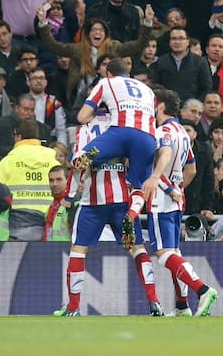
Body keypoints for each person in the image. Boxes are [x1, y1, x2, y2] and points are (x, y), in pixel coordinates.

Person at [55, 101, 162, 317]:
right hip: (121, 202)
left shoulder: (85, 128)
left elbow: (77, 163)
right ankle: (154, 302)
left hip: (92, 204)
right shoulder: (126, 129)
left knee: (78, 250)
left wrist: (68, 194)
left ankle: (74, 308)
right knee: (137, 249)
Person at [146, 89, 217, 317]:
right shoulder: (183, 133)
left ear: (160, 107)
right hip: (176, 198)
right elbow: (192, 169)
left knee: (164, 254)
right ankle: (182, 305)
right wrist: (177, 190)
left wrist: (160, 181)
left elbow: (164, 154)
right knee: (174, 251)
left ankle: (203, 289)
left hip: (160, 198)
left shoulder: (162, 132)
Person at [75, 58, 157, 226]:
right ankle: (132, 215)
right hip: (147, 139)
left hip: (120, 134)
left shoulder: (106, 82)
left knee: (81, 160)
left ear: (109, 73)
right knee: (137, 186)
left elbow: (82, 117)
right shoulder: (149, 91)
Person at [0, 119, 60, 241]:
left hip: (17, 223)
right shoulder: (53, 161)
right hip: (49, 220)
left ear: (18, 136)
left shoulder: (8, 162)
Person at [42, 165, 72, 242]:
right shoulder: (52, 206)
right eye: (51, 180)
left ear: (68, 181)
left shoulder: (73, 205)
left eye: (59, 179)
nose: (54, 184)